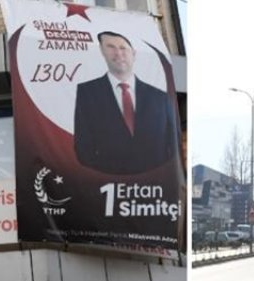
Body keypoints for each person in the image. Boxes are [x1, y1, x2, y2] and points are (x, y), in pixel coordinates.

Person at [74, 31, 180, 174]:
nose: (118, 53)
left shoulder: (161, 98)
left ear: (134, 53)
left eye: (123, 48)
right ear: (102, 51)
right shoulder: (86, 93)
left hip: (155, 181)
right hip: (109, 180)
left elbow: (173, 144)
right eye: (110, 47)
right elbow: (83, 148)